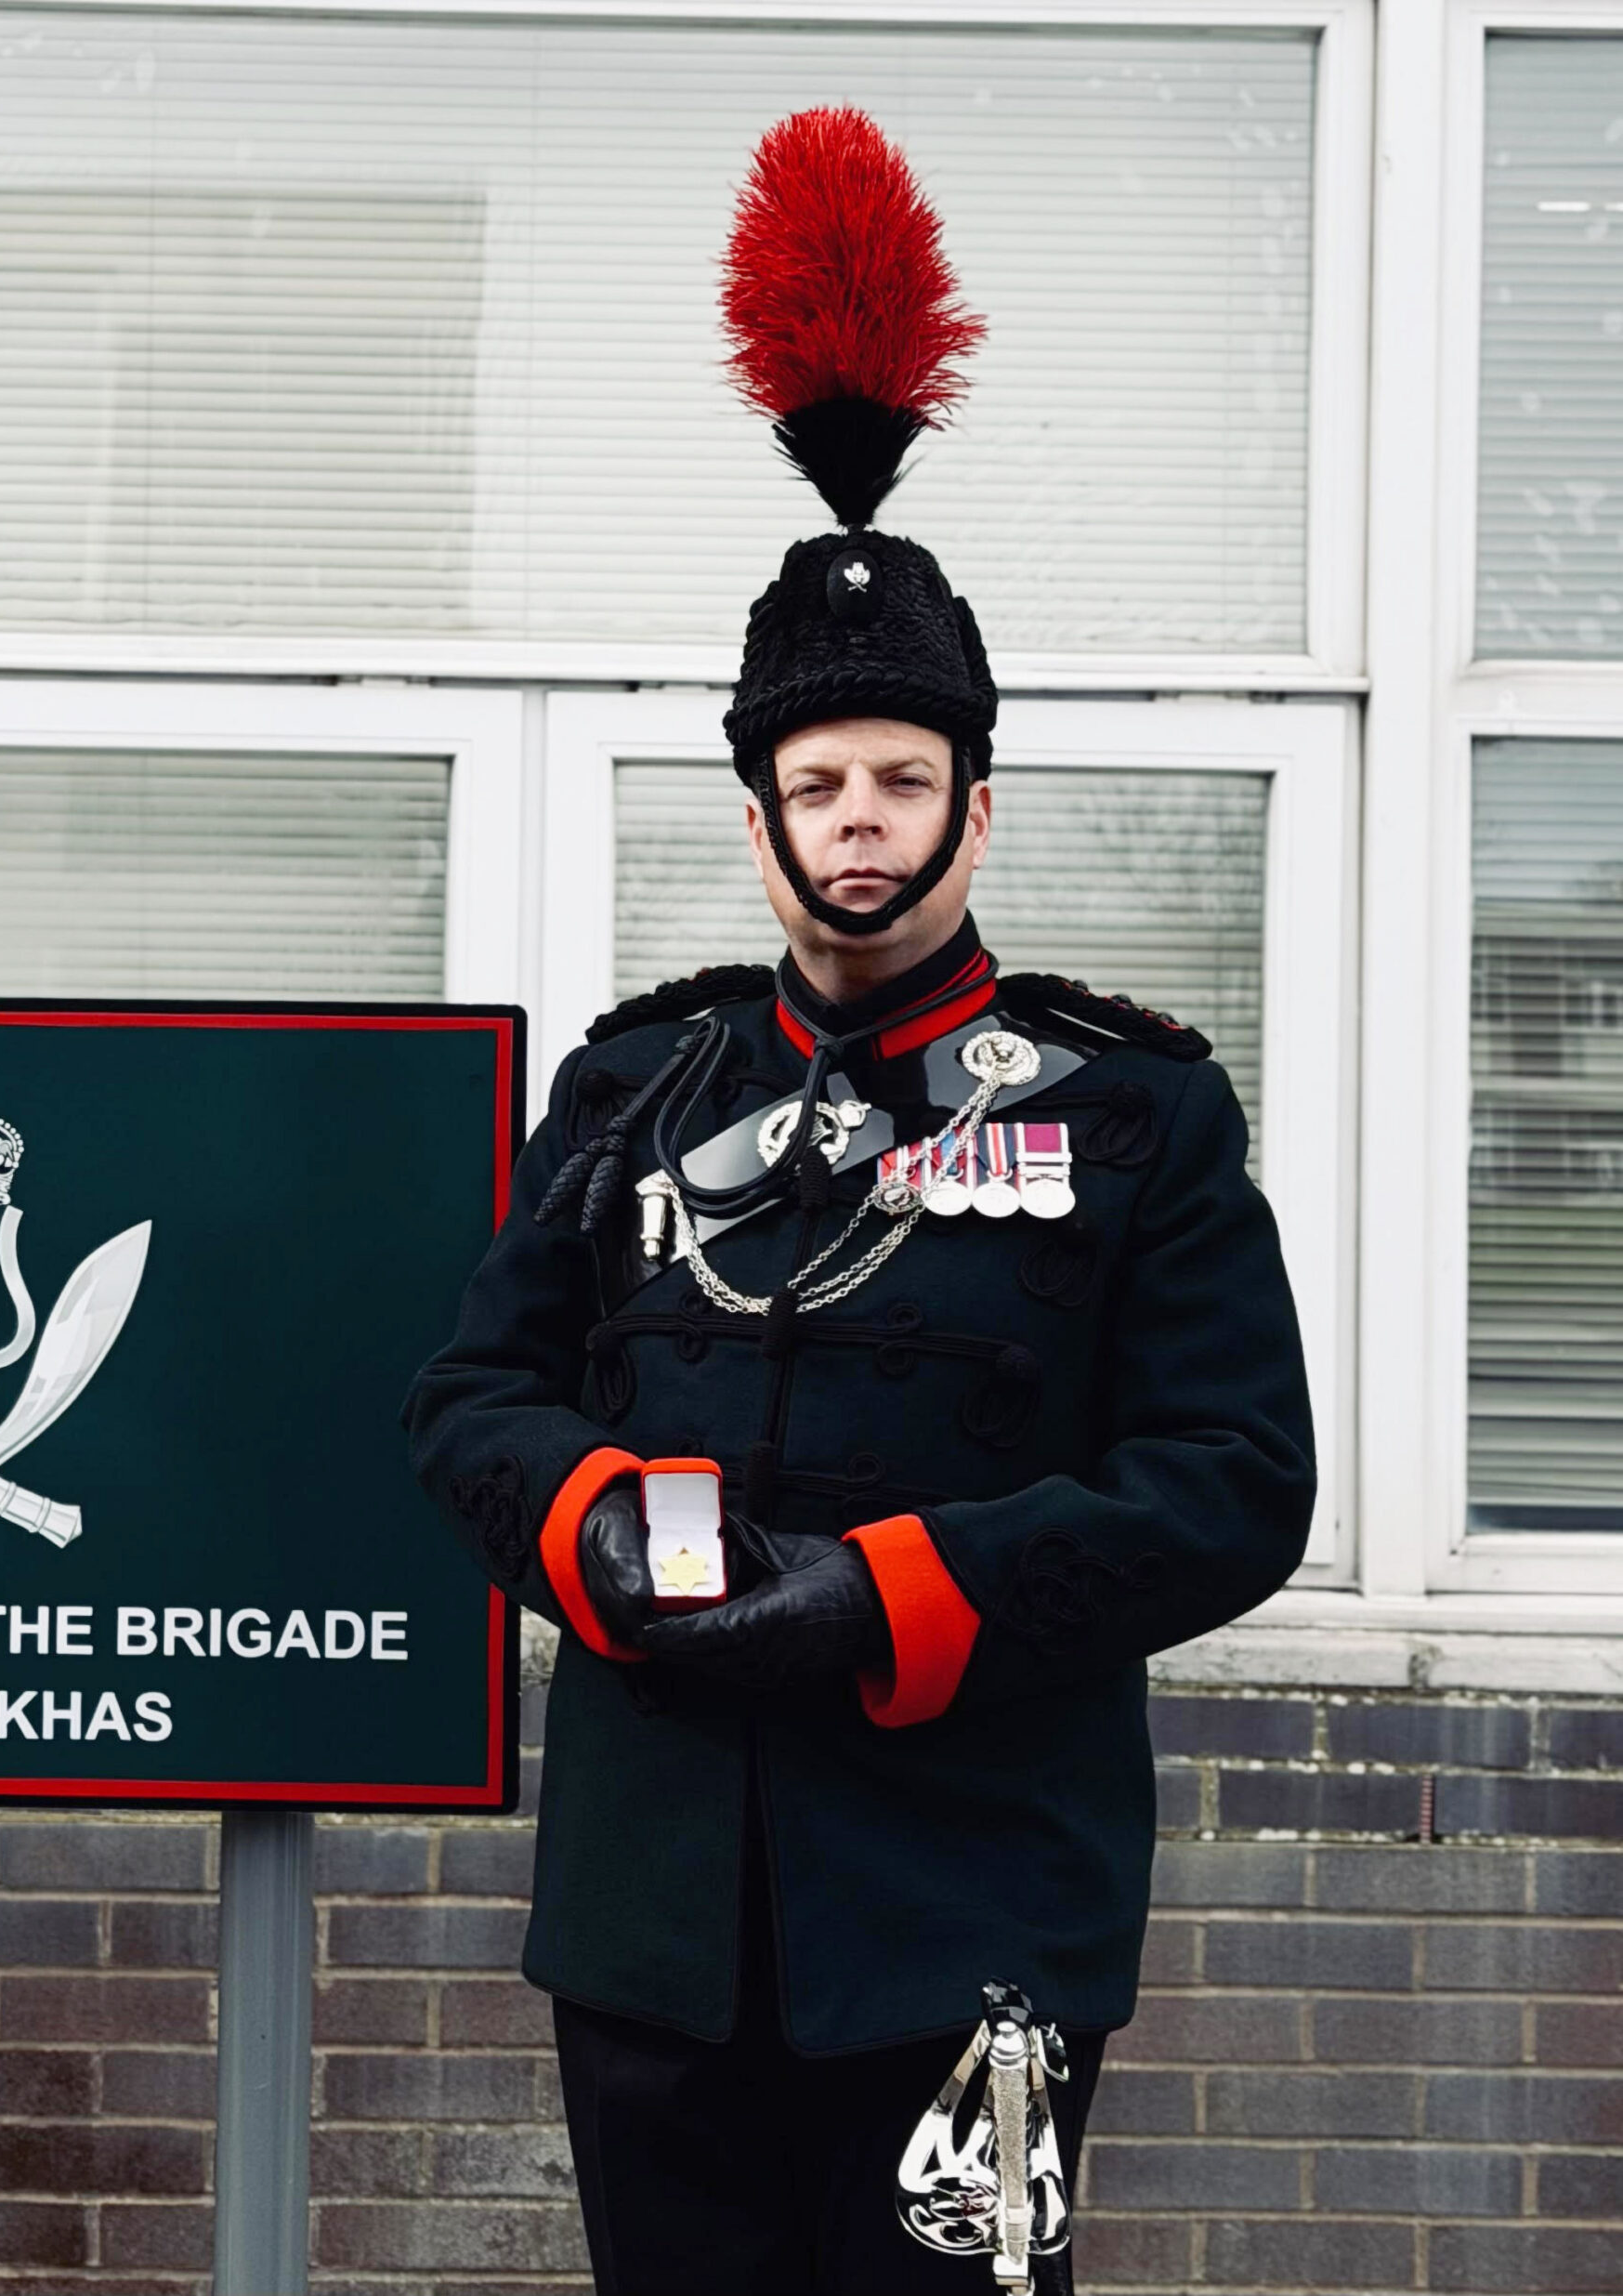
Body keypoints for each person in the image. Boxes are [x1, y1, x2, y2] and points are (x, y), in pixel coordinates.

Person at [403, 110, 1316, 2295]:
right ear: (755, 823)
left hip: (978, 1925)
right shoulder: (640, 1092)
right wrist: (586, 1515)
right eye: (814, 784)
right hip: (654, 1934)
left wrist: (893, 1601)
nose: (857, 820)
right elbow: (466, 1401)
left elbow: (1229, 1488)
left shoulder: (1137, 1116)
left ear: (972, 806)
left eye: (900, 778)